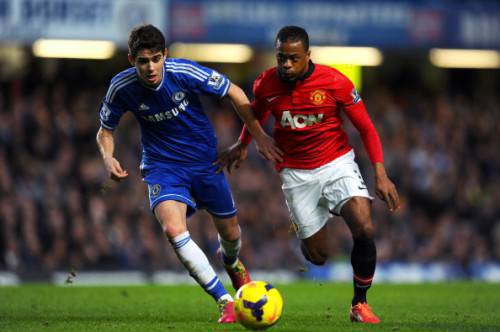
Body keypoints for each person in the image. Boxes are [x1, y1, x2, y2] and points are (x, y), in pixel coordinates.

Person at [96, 24, 282, 324]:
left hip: (206, 164)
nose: (150, 67)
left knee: (231, 234)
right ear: (132, 60)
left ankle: (231, 262)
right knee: (173, 230)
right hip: (162, 168)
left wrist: (257, 135)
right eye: (143, 61)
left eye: (156, 58)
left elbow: (234, 92)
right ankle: (225, 301)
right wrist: (108, 156)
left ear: (165, 55)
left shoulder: (184, 72)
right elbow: (105, 131)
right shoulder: (121, 87)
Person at [216, 26, 400, 324]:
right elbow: (256, 113)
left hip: (336, 163)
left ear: (307, 56)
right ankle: (306, 220)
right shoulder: (266, 84)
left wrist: (380, 173)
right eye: (281, 58)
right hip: (296, 174)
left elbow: (366, 127)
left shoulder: (335, 82)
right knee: (317, 257)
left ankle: (359, 304)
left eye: (293, 58)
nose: (286, 64)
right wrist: (244, 142)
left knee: (364, 225)